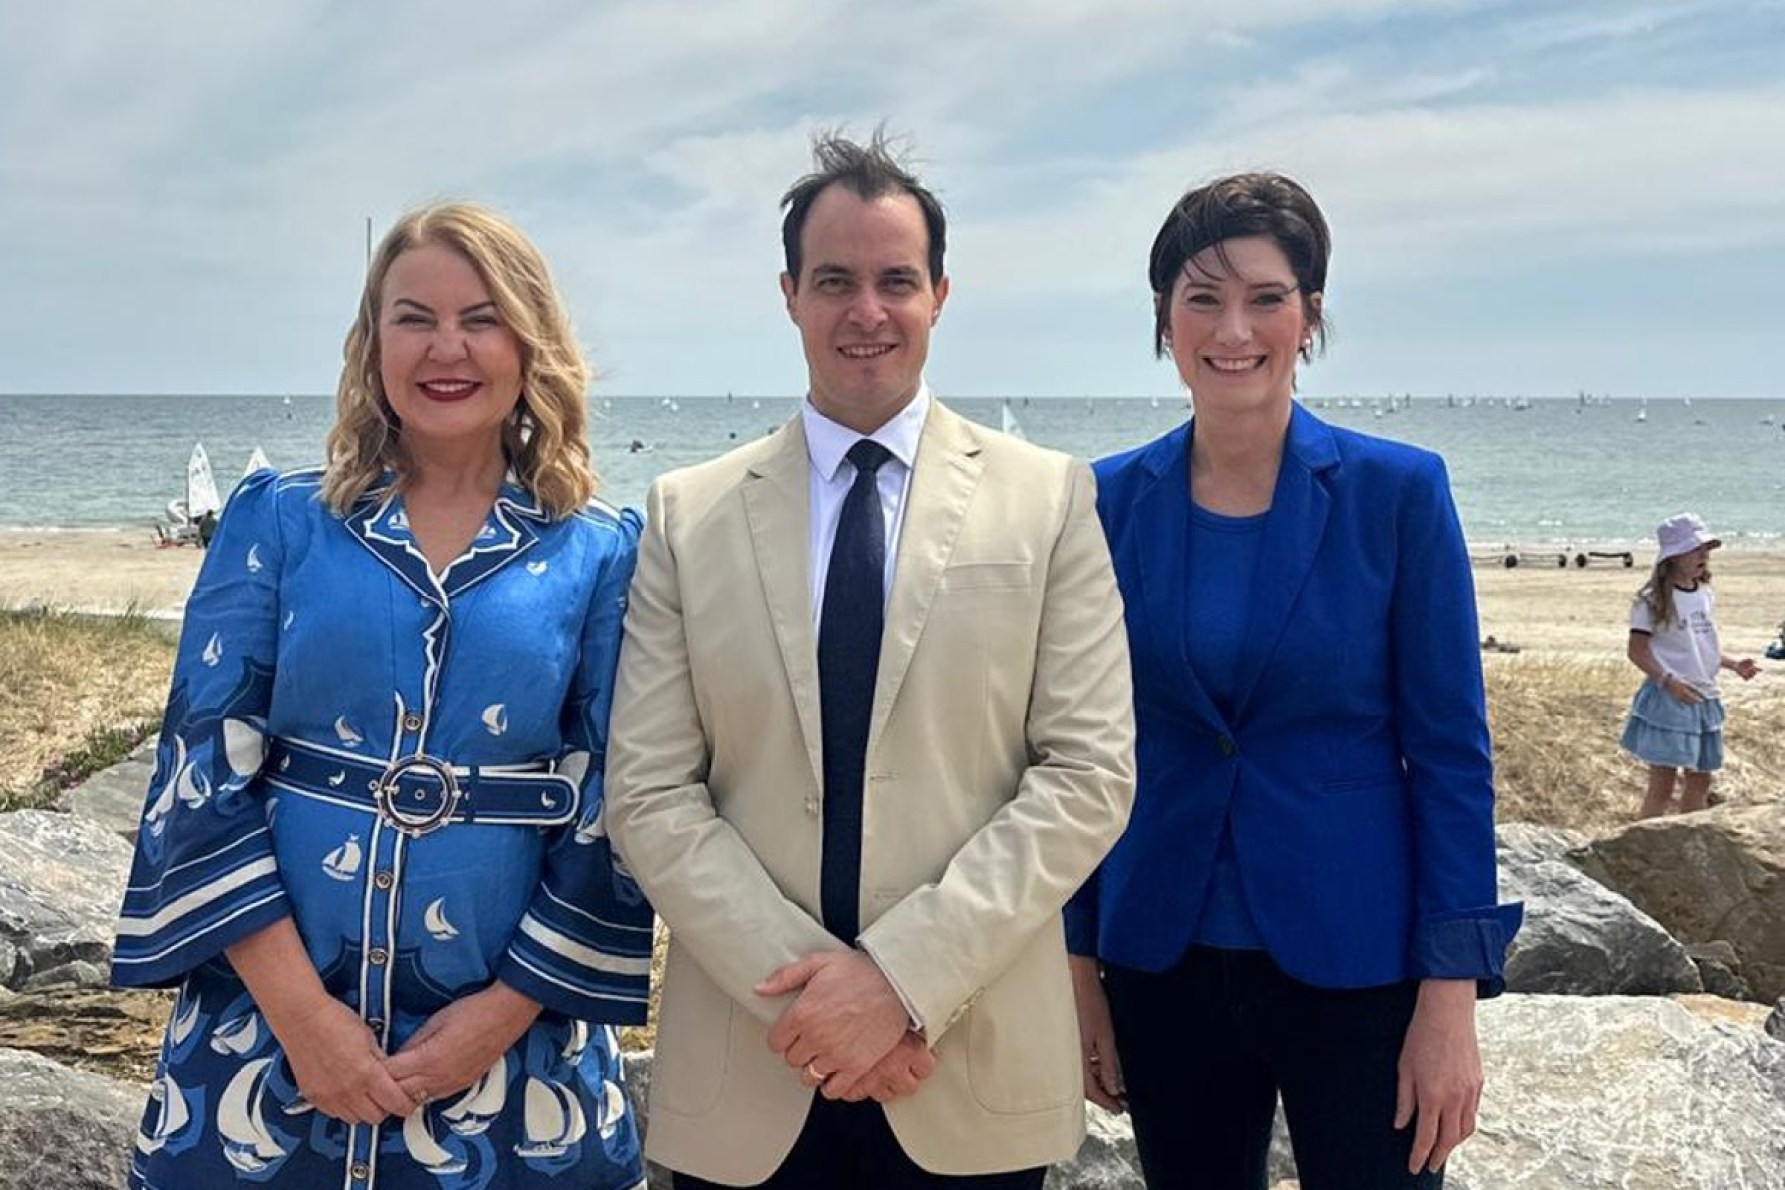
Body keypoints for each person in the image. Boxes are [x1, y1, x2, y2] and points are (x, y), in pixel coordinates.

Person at [604, 130, 1136, 1189]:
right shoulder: (687, 513)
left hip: (961, 1064)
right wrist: (817, 1004)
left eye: (897, 280)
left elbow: (1087, 773)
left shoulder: (1049, 498)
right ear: (790, 293)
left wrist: (900, 980)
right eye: (835, 279)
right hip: (754, 1073)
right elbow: (651, 791)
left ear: (940, 293)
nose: (867, 310)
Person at [112, 203, 653, 1189]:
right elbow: (200, 770)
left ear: (530, 341)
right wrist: (308, 1023)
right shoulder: (280, 521)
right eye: (415, 317)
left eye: (482, 317)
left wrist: (491, 1023)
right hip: (266, 1040)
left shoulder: (603, 548)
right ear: (373, 342)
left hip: (511, 1056)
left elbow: (618, 803)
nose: (448, 347)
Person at [1065, 172, 1522, 1189]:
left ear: (1311, 314)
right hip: (1162, 957)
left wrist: (1452, 997)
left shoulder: (1397, 491)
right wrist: (1078, 964)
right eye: (1203, 297)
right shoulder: (1101, 501)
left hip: (1361, 959)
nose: (1235, 328)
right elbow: (1081, 746)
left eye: (1267, 297)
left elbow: (1451, 755)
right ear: (1162, 316)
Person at [1620, 512, 1759, 818]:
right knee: (1663, 784)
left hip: (1704, 697)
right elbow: (1637, 651)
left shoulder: (1704, 593)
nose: (1704, 556)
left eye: (1707, 549)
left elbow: (1700, 648)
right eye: (1696, 549)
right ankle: (1647, 847)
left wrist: (1734, 664)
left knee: (1700, 779)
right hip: (1670, 699)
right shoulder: (1652, 599)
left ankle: (1687, 839)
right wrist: (1670, 682)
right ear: (1673, 557)